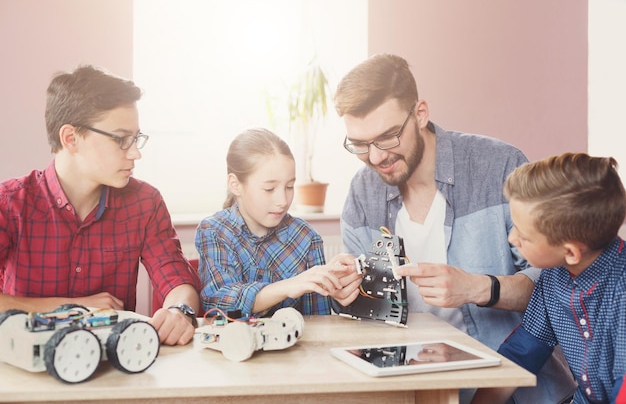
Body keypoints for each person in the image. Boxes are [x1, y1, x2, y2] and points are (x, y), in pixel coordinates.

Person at [333, 53, 576, 403]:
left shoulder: (499, 167)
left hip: (517, 393)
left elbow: (556, 286)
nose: (375, 158)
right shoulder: (362, 193)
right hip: (417, 391)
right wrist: (348, 296)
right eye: (359, 144)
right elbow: (370, 316)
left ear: (420, 114)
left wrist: (478, 288)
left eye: (387, 137)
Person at [0, 65, 201, 346]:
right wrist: (74, 308)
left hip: (114, 366)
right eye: (121, 139)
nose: (135, 152)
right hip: (21, 366)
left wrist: (179, 310)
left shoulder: (146, 202)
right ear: (70, 138)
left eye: (136, 138)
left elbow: (177, 279)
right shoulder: (9, 204)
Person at [471, 152, 626, 404]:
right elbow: (522, 351)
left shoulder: (621, 291)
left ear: (571, 252)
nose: (512, 239)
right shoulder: (553, 277)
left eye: (524, 235)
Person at [195, 128, 361, 317]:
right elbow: (218, 304)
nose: (283, 200)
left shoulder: (306, 238)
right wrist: (287, 287)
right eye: (269, 188)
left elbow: (319, 322)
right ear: (235, 185)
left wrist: (336, 284)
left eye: (289, 186)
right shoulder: (214, 231)